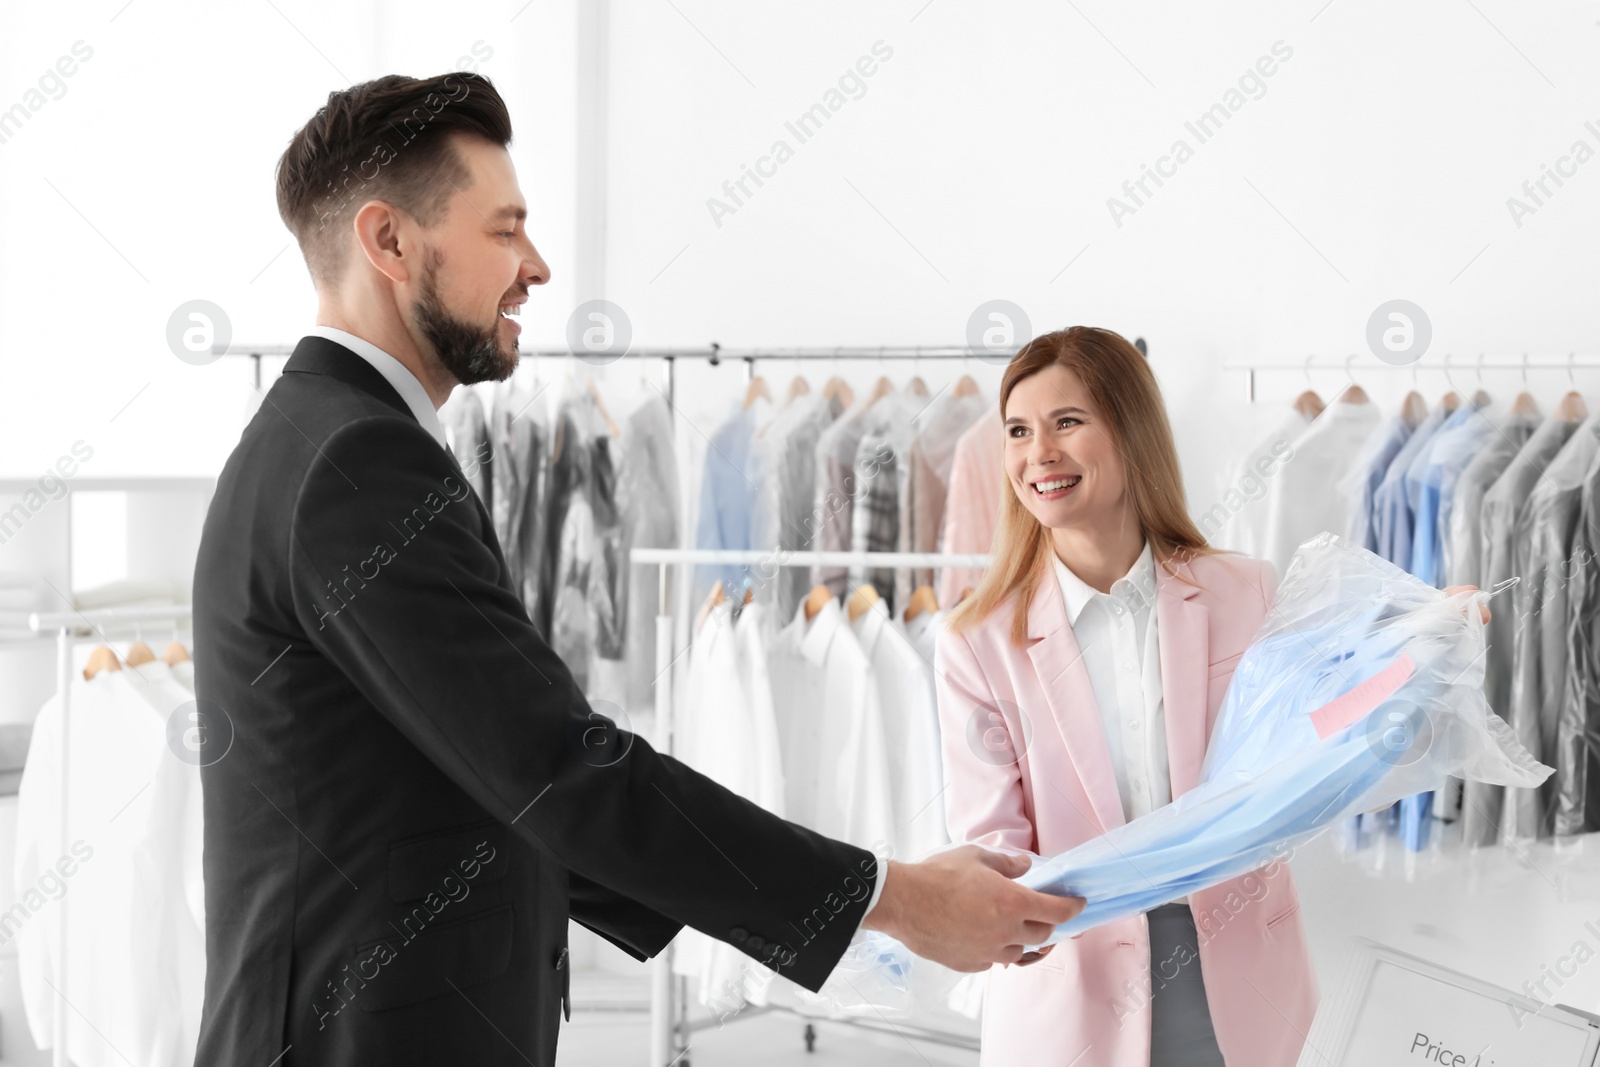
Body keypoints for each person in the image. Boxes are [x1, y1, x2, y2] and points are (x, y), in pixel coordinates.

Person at [191, 72, 1083, 1066]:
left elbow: (499, 775)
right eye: (503, 230)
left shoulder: (332, 440)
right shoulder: (356, 460)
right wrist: (900, 900)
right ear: (389, 242)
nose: (536, 266)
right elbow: (555, 767)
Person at [933, 328, 1482, 1067]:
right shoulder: (977, 640)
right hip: (1072, 998)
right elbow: (995, 846)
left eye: (1067, 422)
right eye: (1019, 432)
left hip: (1242, 983)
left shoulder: (1242, 589)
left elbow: (1319, 733)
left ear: (1131, 430)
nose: (1039, 454)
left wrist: (1415, 652)